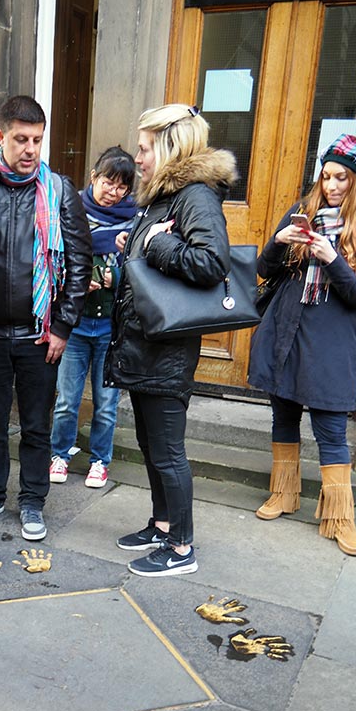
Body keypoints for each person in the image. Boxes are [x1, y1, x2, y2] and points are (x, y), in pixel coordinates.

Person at [0, 95, 92, 540]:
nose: (30, 149)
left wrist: (63, 327)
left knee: (36, 425)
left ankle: (32, 502)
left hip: (38, 334)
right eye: (21, 139)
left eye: (37, 140)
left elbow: (79, 265)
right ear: (1, 137)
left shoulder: (59, 192)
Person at [104, 103, 236, 577]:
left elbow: (211, 262)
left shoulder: (195, 196)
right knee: (150, 442)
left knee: (167, 449)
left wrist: (157, 246)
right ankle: (163, 524)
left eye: (143, 148)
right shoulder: (165, 197)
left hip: (165, 349)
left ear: (168, 145)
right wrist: (135, 244)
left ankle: (181, 549)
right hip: (146, 343)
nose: (137, 158)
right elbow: (161, 255)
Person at [249, 134, 356, 556]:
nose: (330, 186)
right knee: (283, 412)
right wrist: (280, 242)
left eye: (341, 179)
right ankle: (284, 494)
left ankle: (340, 518)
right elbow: (263, 268)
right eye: (326, 176)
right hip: (287, 329)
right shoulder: (302, 212)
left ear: (355, 183)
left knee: (331, 428)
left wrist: (332, 258)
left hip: (332, 339)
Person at [49, 146, 136, 488]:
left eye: (121, 187)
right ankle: (60, 453)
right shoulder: (72, 213)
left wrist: (118, 279)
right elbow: (53, 263)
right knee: (68, 400)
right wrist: (75, 284)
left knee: (105, 404)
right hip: (76, 324)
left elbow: (142, 273)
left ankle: (100, 460)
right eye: (107, 182)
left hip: (111, 328)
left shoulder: (135, 221)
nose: (113, 192)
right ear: (93, 178)